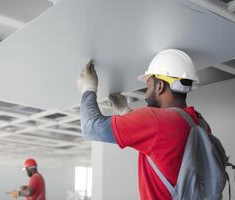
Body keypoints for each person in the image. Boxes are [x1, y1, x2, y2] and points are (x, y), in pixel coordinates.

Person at [77, 49, 208, 199]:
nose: (145, 94)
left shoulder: (157, 121)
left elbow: (90, 128)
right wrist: (125, 110)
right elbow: (164, 151)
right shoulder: (199, 123)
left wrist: (88, 89)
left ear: (160, 87)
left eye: (148, 86)